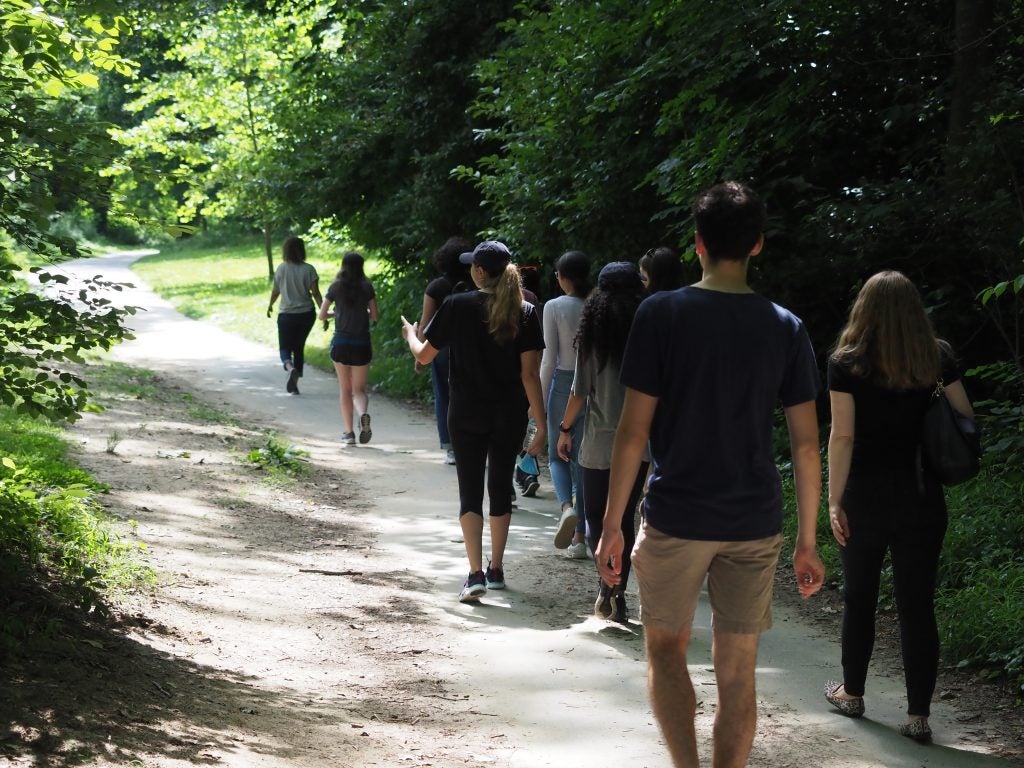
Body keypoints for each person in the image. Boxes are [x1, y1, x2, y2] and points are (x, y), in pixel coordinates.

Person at [597, 181, 825, 768]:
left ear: (697, 244)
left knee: (666, 650)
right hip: (754, 519)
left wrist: (612, 524)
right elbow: (806, 445)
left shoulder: (662, 313)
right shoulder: (785, 326)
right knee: (738, 670)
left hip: (677, 516)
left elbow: (632, 431)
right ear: (758, 245)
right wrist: (807, 540)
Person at [822, 270, 974, 743]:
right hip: (921, 494)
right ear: (914, 310)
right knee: (917, 604)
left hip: (863, 495)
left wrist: (833, 500)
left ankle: (852, 692)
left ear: (863, 309)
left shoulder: (846, 363)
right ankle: (919, 716)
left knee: (859, 596)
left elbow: (842, 435)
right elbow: (965, 417)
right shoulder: (938, 358)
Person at [401, 241, 546, 603]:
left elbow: (424, 354)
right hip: (509, 413)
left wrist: (410, 334)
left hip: (465, 412)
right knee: (499, 488)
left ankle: (475, 573)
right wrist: (541, 424)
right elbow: (530, 375)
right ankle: (496, 569)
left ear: (479, 271)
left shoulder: (457, 305)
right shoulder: (526, 311)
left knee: (470, 490)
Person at [557, 260, 648, 621]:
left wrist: (564, 429)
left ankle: (605, 585)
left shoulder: (593, 335)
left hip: (598, 439)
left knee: (596, 515)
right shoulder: (646, 335)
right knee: (624, 516)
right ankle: (620, 591)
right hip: (639, 442)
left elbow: (580, 391)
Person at [542, 250, 592, 558]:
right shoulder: (597, 304)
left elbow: (549, 358)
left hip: (563, 383)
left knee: (556, 456)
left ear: (563, 277)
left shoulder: (554, 307)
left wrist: (537, 399)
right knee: (582, 461)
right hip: (594, 384)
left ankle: (566, 507)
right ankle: (579, 538)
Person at [417, 236, 472, 465]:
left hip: (440, 349)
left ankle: (450, 446)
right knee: (470, 395)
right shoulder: (475, 284)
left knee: (444, 395)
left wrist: (420, 354)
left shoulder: (436, 287)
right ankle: (471, 441)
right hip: (471, 346)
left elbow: (425, 322)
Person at [320, 252, 379, 446]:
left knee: (345, 390)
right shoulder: (366, 287)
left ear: (343, 265)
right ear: (361, 266)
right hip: (362, 344)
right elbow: (375, 315)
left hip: (341, 344)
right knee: (359, 390)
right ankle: (363, 415)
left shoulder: (335, 287)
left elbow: (322, 314)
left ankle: (349, 433)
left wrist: (335, 313)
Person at [267, 236, 323, 395]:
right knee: (299, 347)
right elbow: (316, 293)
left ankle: (290, 367)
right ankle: (295, 384)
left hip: (286, 314)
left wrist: (270, 305)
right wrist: (323, 312)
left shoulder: (281, 269)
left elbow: (276, 291)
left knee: (285, 348)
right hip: (306, 314)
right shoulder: (309, 269)